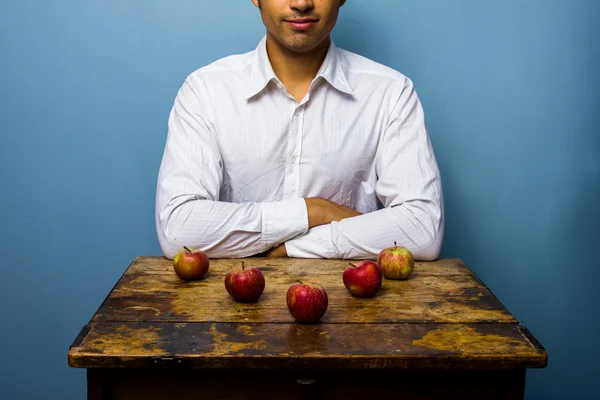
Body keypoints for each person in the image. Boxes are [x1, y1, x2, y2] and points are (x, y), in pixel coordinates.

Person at [155, 0, 444, 260]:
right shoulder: (206, 90)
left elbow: (422, 229)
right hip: (229, 308)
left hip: (358, 308)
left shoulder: (390, 92)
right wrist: (315, 211)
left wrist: (294, 246)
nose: (301, 3)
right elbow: (178, 230)